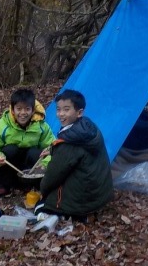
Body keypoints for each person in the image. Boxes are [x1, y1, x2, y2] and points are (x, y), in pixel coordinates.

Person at [34, 89, 114, 220]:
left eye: (66, 109)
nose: (61, 114)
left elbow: (53, 175)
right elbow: (76, 154)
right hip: (101, 194)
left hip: (84, 201)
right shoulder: (88, 127)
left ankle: (76, 215)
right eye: (58, 109)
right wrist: (53, 149)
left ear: (79, 112)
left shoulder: (69, 142)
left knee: (40, 207)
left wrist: (44, 190)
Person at [0, 88, 55, 197]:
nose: (23, 113)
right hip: (10, 167)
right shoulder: (1, 126)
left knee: (35, 153)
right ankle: (5, 184)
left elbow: (53, 148)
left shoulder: (42, 127)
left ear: (33, 110)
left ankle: (31, 185)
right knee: (9, 150)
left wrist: (45, 164)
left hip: (30, 170)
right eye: (19, 109)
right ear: (12, 110)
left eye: (27, 109)